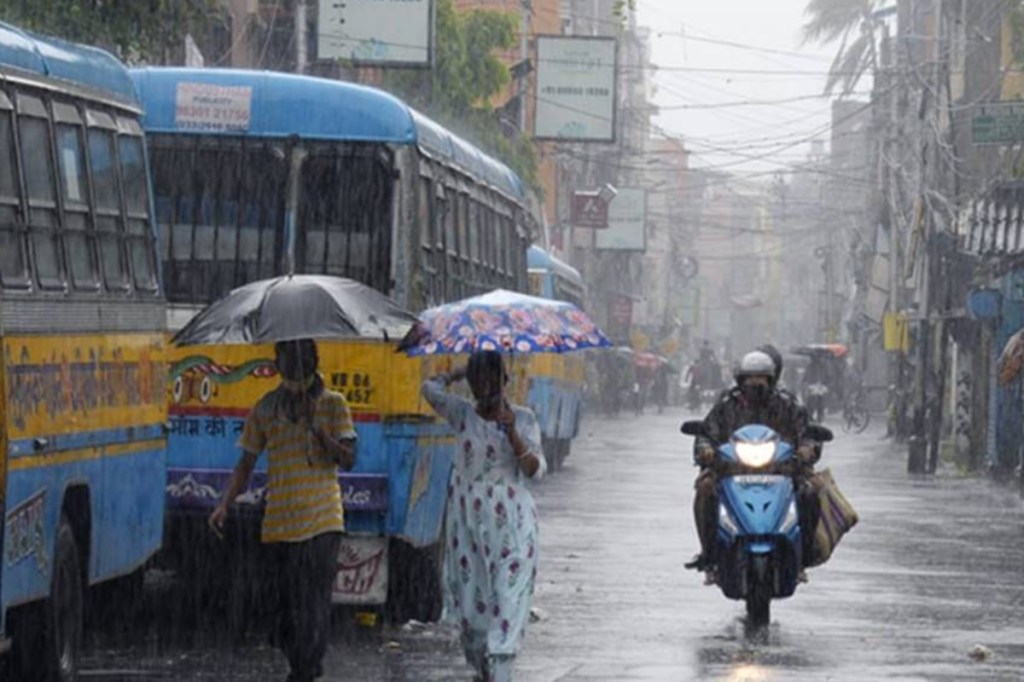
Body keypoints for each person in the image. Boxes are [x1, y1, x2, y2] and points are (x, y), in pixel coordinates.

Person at [209, 339, 356, 682]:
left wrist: (317, 429)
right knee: (282, 608)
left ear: (312, 363)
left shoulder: (334, 404)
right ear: (278, 366)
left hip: (323, 522)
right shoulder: (266, 408)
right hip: (280, 524)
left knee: (313, 604)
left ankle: (306, 670)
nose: (292, 370)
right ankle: (300, 663)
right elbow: (246, 461)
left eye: (298, 362)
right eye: (286, 362)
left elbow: (348, 458)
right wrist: (225, 504)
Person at [422, 351, 546, 682]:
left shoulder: (524, 418)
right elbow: (429, 389)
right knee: (473, 616)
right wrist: (457, 372)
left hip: (513, 528)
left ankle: (501, 670)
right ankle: (483, 670)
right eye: (476, 379)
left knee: (508, 601)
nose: (483, 386)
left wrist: (513, 435)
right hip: (468, 528)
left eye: (490, 378)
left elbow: (535, 470)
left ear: (504, 381)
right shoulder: (461, 414)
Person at [685, 350, 821, 582]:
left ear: (771, 379)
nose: (755, 383)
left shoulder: (786, 404)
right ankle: (709, 553)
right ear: (741, 380)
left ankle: (803, 555)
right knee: (706, 489)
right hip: (731, 468)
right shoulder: (727, 404)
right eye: (750, 378)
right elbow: (707, 433)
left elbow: (807, 432)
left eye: (761, 378)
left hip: (782, 468)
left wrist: (806, 449)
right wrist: (706, 450)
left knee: (810, 492)